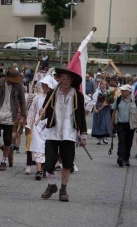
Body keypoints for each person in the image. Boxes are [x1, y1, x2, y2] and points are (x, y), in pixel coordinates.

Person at [39, 68, 87, 202]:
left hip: (69, 134)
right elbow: (45, 113)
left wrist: (83, 135)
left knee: (67, 164)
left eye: (67, 79)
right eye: (62, 79)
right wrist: (42, 113)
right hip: (52, 133)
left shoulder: (78, 95)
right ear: (59, 79)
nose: (64, 81)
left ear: (71, 80)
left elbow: (81, 117)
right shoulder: (51, 95)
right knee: (48, 164)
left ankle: (63, 190)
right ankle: (52, 184)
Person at [0, 67, 26, 171]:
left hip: (10, 115)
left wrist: (24, 115)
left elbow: (22, 101)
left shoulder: (18, 86)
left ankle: (4, 161)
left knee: (8, 140)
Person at [26, 74, 58, 180]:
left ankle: (45, 169)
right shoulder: (37, 98)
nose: (45, 87)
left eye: (47, 86)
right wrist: (28, 125)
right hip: (37, 125)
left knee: (47, 149)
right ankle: (38, 171)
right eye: (43, 85)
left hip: (48, 126)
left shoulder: (54, 99)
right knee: (38, 147)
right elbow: (32, 111)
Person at [111, 84, 137, 167]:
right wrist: (112, 123)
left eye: (124, 91)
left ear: (129, 92)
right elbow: (114, 111)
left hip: (131, 125)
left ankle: (126, 158)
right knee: (122, 141)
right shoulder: (118, 99)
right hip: (120, 124)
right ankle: (120, 157)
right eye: (122, 90)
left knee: (128, 142)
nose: (122, 92)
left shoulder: (134, 101)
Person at [92, 80, 112, 144]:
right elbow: (94, 101)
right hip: (98, 108)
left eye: (105, 84)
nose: (103, 85)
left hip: (105, 109)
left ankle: (105, 138)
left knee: (105, 123)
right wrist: (95, 109)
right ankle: (99, 139)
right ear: (100, 85)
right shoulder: (97, 92)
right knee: (98, 123)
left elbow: (108, 102)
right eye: (102, 84)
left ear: (106, 85)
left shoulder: (108, 93)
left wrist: (100, 109)